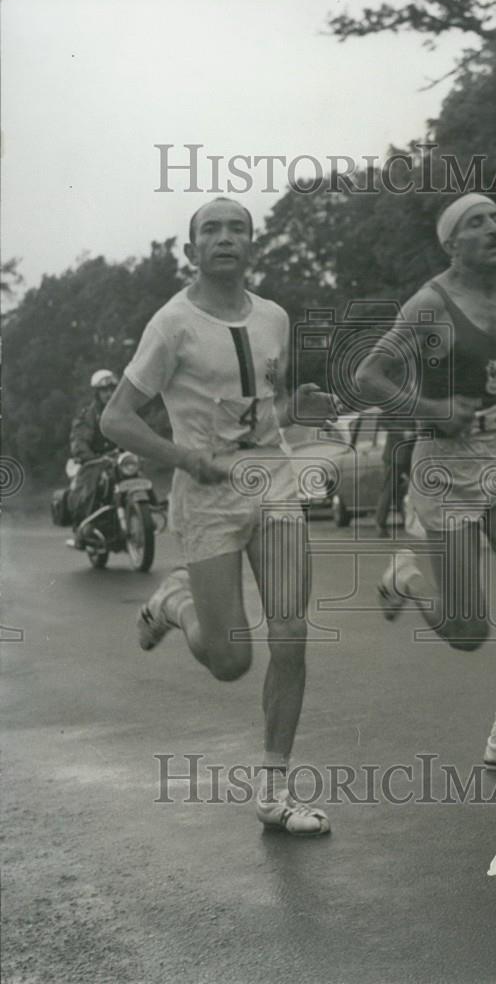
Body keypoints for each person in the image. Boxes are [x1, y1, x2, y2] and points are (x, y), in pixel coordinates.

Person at [101, 197, 338, 836]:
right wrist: (184, 456)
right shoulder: (172, 324)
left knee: (291, 636)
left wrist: (303, 406)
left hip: (274, 485)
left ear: (252, 245)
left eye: (238, 228)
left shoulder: (276, 318)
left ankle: (274, 791)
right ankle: (176, 605)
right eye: (212, 229)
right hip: (206, 500)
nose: (225, 238)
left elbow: (265, 410)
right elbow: (115, 418)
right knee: (231, 661)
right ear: (192, 249)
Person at [356, 193, 496, 773]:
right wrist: (433, 407)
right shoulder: (429, 305)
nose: (494, 229)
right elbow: (369, 374)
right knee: (468, 631)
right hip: (445, 466)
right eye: (477, 223)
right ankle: (408, 582)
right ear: (452, 243)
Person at [67, 369, 119, 528]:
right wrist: (91, 457)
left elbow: (136, 433)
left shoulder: (123, 412)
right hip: (96, 459)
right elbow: (79, 440)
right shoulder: (89, 415)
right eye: (104, 390)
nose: (109, 394)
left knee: (135, 472)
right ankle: (85, 525)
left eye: (111, 389)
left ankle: (150, 509)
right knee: (91, 486)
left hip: (118, 457)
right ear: (97, 393)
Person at [374, 416, 417, 537]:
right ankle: (380, 523)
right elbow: (382, 420)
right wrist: (401, 432)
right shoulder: (394, 402)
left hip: (411, 453)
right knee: (389, 489)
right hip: (394, 454)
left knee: (414, 488)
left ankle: (410, 520)